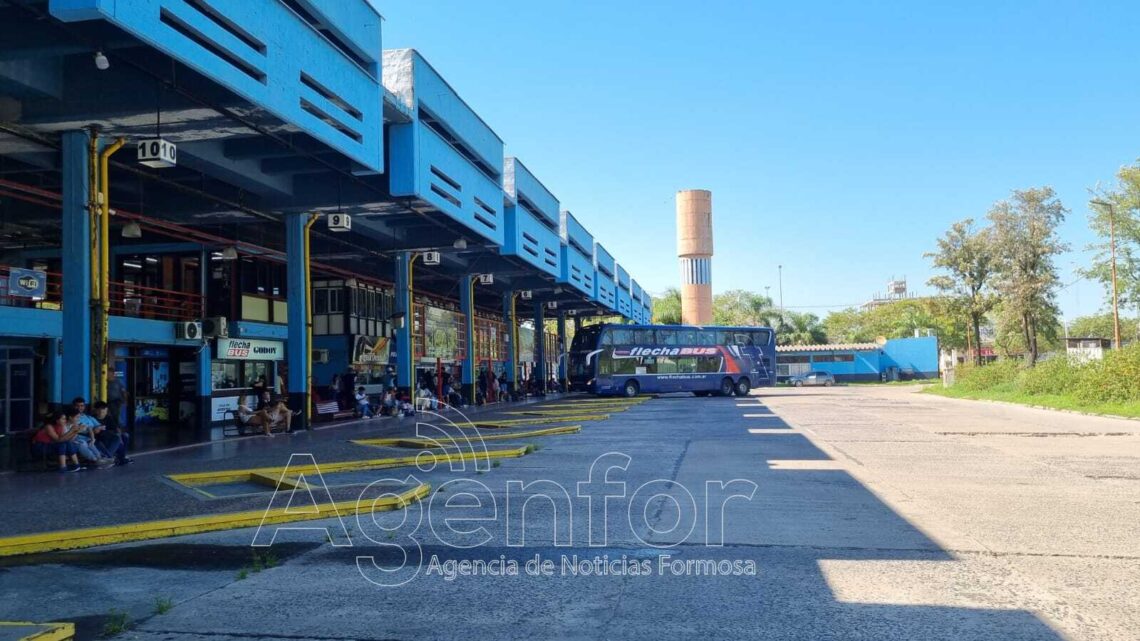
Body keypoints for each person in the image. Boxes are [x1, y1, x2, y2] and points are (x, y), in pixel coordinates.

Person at [70, 397, 113, 464]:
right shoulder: (71, 417)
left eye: (81, 406)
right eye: (77, 406)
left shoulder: (88, 417)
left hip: (90, 438)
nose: (79, 408)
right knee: (83, 443)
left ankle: (102, 458)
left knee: (116, 437)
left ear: (84, 407)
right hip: (77, 438)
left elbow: (101, 426)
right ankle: (97, 460)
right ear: (73, 406)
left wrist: (96, 429)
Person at [92, 401, 132, 466]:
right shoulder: (92, 419)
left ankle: (118, 458)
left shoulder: (109, 418)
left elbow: (116, 429)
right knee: (111, 437)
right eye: (100, 410)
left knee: (125, 435)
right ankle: (113, 458)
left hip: (111, 438)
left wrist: (119, 437)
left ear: (106, 410)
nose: (102, 412)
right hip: (100, 440)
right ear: (96, 410)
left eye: (104, 410)